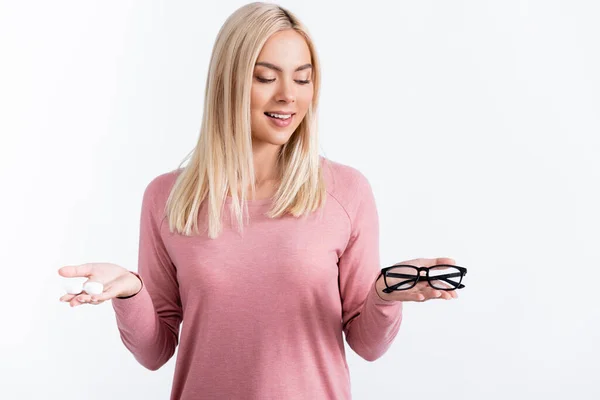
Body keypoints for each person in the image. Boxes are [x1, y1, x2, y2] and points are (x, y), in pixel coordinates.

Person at [58, 2, 459, 399]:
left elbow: (367, 344)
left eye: (303, 79)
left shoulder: (346, 191)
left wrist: (385, 295)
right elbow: (155, 351)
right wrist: (131, 293)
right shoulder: (168, 198)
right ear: (227, 82)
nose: (288, 96)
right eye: (266, 77)